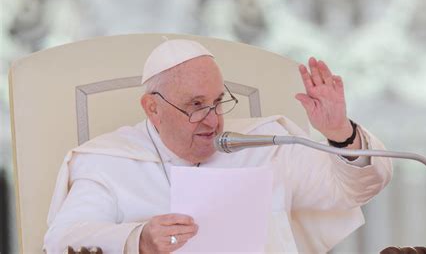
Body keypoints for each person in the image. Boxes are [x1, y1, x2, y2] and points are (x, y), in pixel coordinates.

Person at [44, 39, 392, 254]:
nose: (213, 120)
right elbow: (64, 239)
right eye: (195, 105)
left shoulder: (264, 145)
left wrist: (339, 132)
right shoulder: (110, 161)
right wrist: (140, 241)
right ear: (153, 108)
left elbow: (354, 191)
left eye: (217, 101)